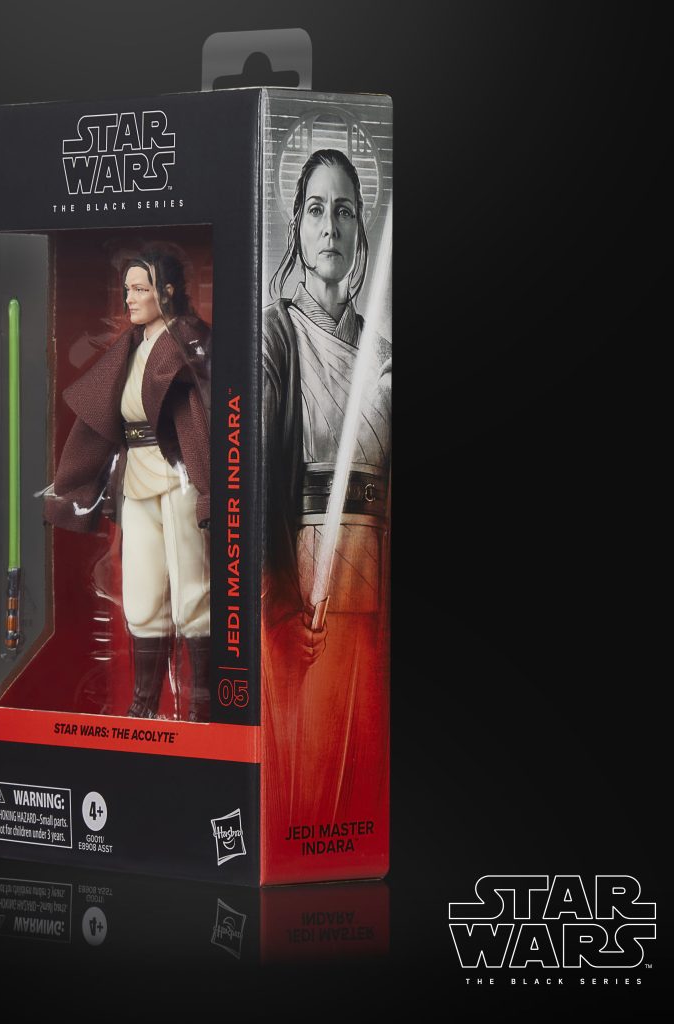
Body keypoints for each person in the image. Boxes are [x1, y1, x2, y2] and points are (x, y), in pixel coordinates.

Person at [262, 149, 392, 826]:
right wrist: (277, 606)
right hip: (304, 599)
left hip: (374, 599)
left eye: (344, 211)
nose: (330, 226)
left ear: (360, 225)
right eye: (316, 209)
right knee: (305, 789)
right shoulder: (276, 337)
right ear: (297, 224)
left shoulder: (383, 356)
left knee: (368, 784)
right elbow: (251, 481)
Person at [44, 250, 212, 721]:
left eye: (140, 289)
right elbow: (105, 421)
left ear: (168, 292)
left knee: (193, 593)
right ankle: (143, 705)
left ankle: (201, 704)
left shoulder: (189, 343)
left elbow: (199, 419)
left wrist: (208, 489)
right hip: (137, 478)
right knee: (141, 594)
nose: (130, 298)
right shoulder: (130, 348)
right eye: (127, 289)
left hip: (179, 478)